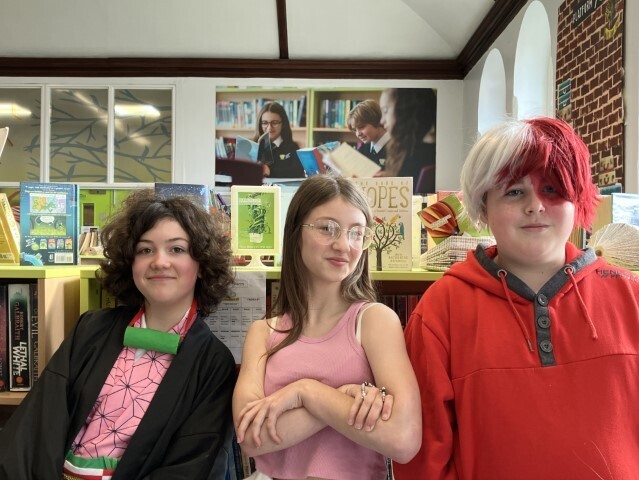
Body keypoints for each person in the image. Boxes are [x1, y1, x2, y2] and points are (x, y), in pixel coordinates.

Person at [394, 117, 639, 479]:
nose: (535, 205)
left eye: (552, 189)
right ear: (483, 204)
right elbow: (423, 457)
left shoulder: (631, 297)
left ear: (576, 199)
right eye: (514, 191)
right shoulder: (440, 310)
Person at [0, 189, 237, 479]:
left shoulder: (213, 363)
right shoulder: (91, 328)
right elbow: (37, 426)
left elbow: (192, 466)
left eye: (176, 249)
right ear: (130, 263)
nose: (159, 261)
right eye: (145, 250)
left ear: (201, 264)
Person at [233, 175, 421, 479]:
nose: (343, 245)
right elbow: (252, 438)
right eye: (327, 228)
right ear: (296, 233)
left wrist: (306, 392)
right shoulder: (264, 332)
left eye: (356, 233)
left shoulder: (375, 321)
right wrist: (342, 400)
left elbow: (404, 439)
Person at [379, 88, 437, 194]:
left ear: (404, 111)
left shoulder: (413, 156)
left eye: (386, 111)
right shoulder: (431, 150)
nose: (382, 121)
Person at [255, 101, 305, 179]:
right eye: (265, 123)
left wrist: (269, 171)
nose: (269, 128)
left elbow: (298, 172)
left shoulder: (292, 147)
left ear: (283, 124)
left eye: (274, 123)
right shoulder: (253, 146)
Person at [347, 99, 390, 167]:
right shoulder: (363, 148)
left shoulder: (398, 147)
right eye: (355, 130)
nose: (358, 134)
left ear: (376, 120)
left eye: (361, 127)